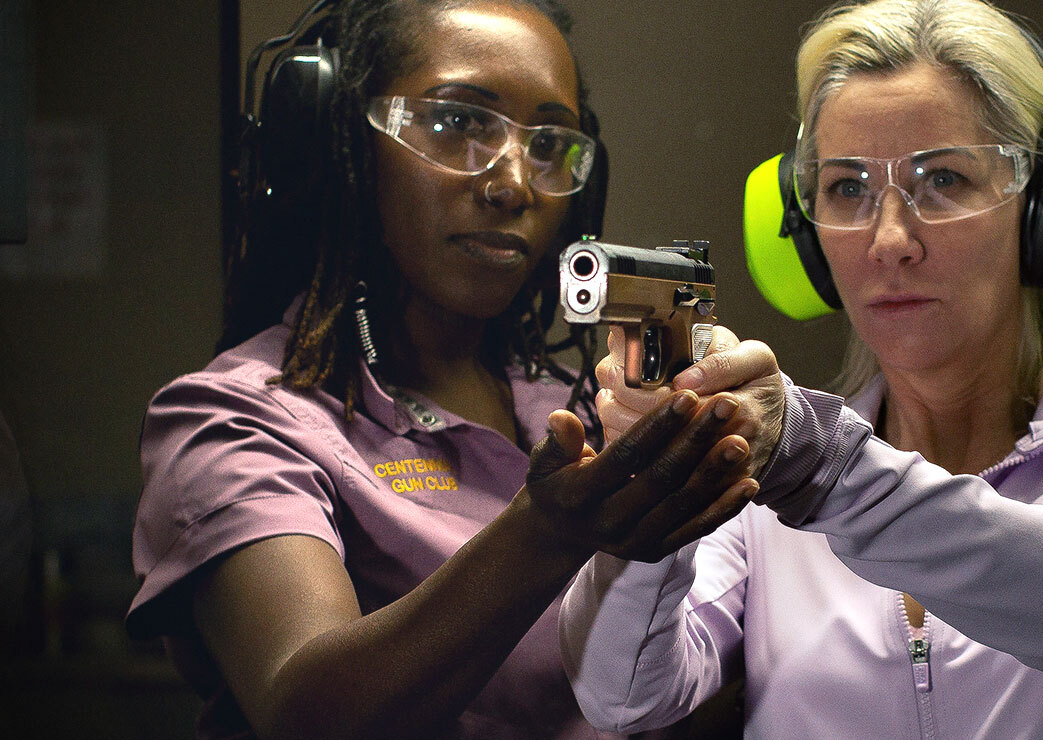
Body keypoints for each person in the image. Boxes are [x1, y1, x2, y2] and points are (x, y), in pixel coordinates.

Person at [559, 0, 1043, 737]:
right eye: (847, 188)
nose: (889, 240)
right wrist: (664, 483)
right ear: (802, 235)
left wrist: (816, 465)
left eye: (942, 179)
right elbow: (621, 694)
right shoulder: (766, 471)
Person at [125, 1, 758, 738]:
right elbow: (306, 714)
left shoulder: (584, 412)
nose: (514, 184)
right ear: (341, 146)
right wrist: (546, 532)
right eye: (460, 123)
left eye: (550, 144)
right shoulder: (237, 418)